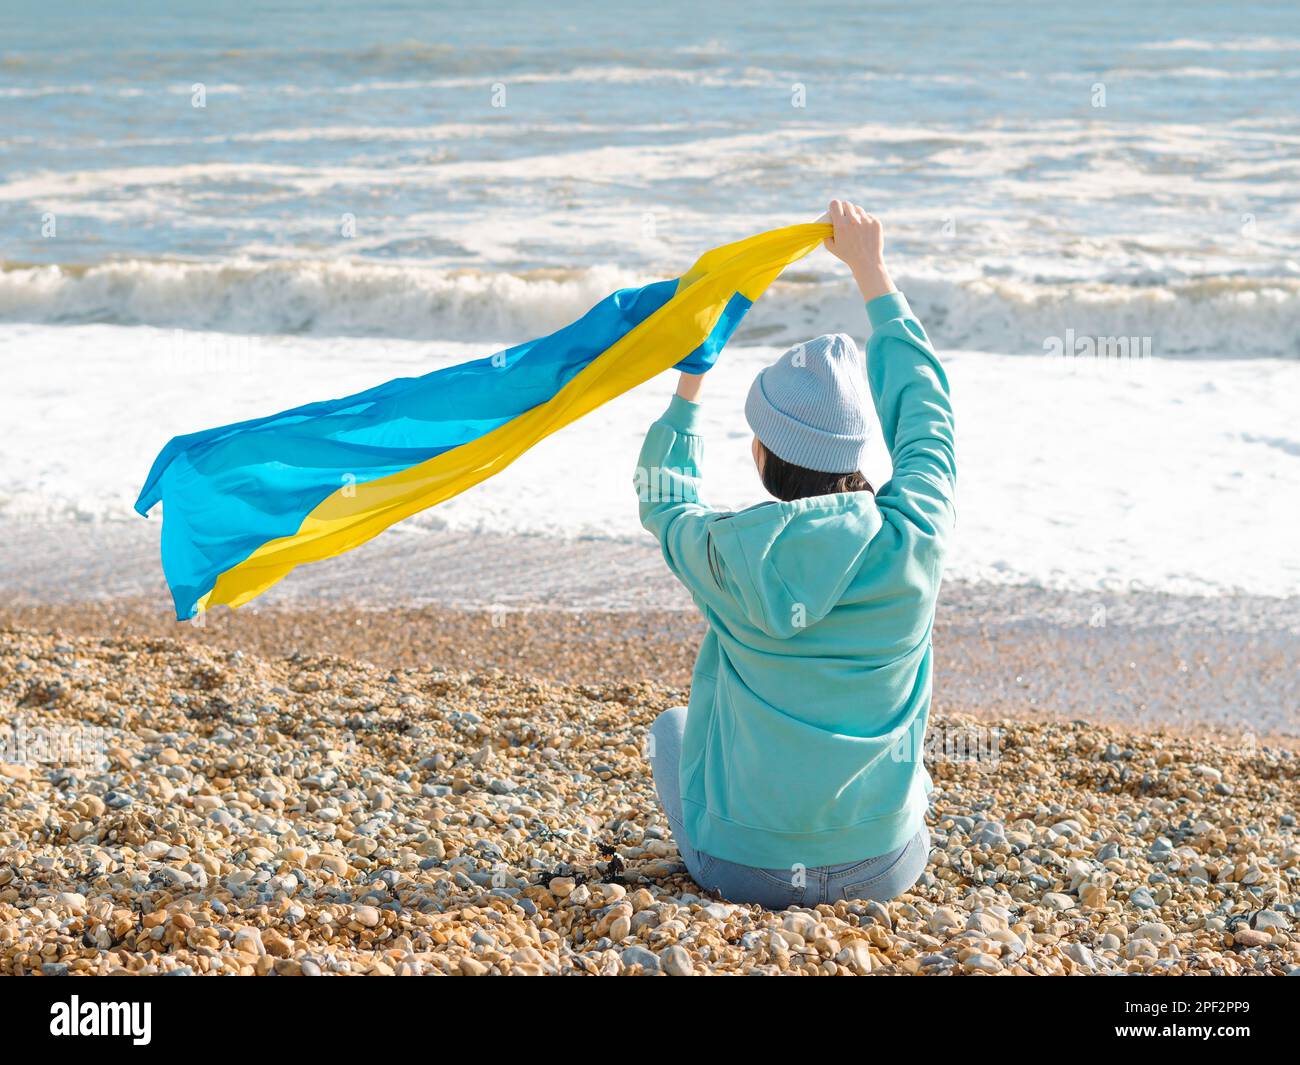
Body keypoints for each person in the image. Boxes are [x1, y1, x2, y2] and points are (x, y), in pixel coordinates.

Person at [637, 200, 956, 908]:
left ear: (761, 454)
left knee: (672, 731)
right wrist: (872, 272)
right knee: (914, 769)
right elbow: (929, 418)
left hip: (737, 867)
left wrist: (692, 374)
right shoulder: (914, 541)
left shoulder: (725, 555)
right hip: (884, 864)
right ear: (857, 453)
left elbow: (663, 500)